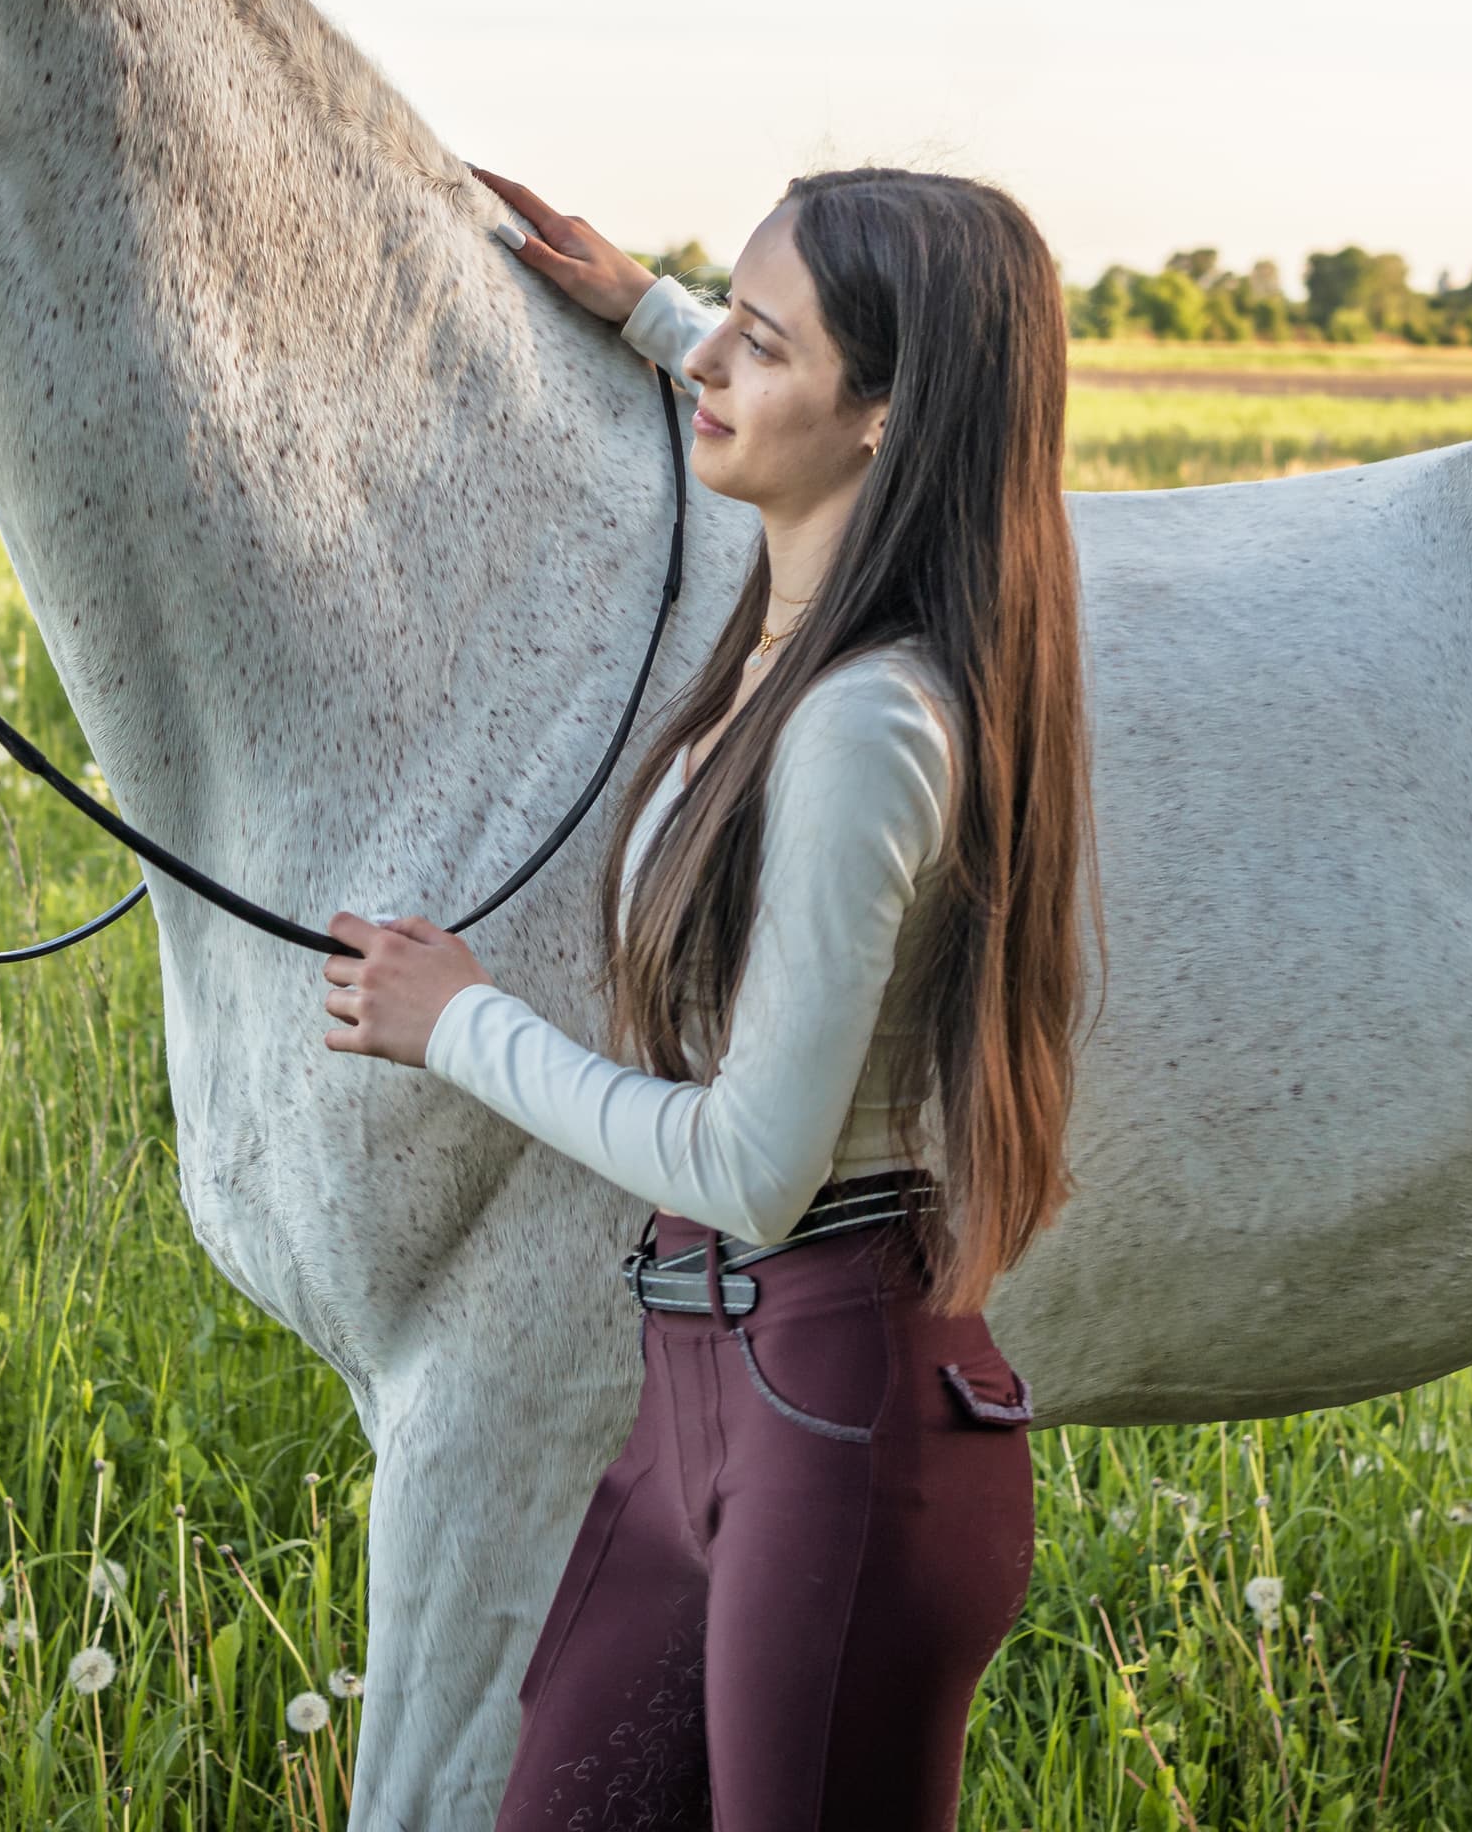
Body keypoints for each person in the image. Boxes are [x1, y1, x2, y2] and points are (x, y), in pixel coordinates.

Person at [321, 161, 1099, 1832]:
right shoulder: (802, 642)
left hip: (839, 1425)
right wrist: (654, 310)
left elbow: (759, 1168)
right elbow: (810, 377)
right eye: (723, 324)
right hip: (702, 1403)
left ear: (885, 415)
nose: (712, 369)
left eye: (761, 341)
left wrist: (454, 1021)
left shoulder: (867, 727)